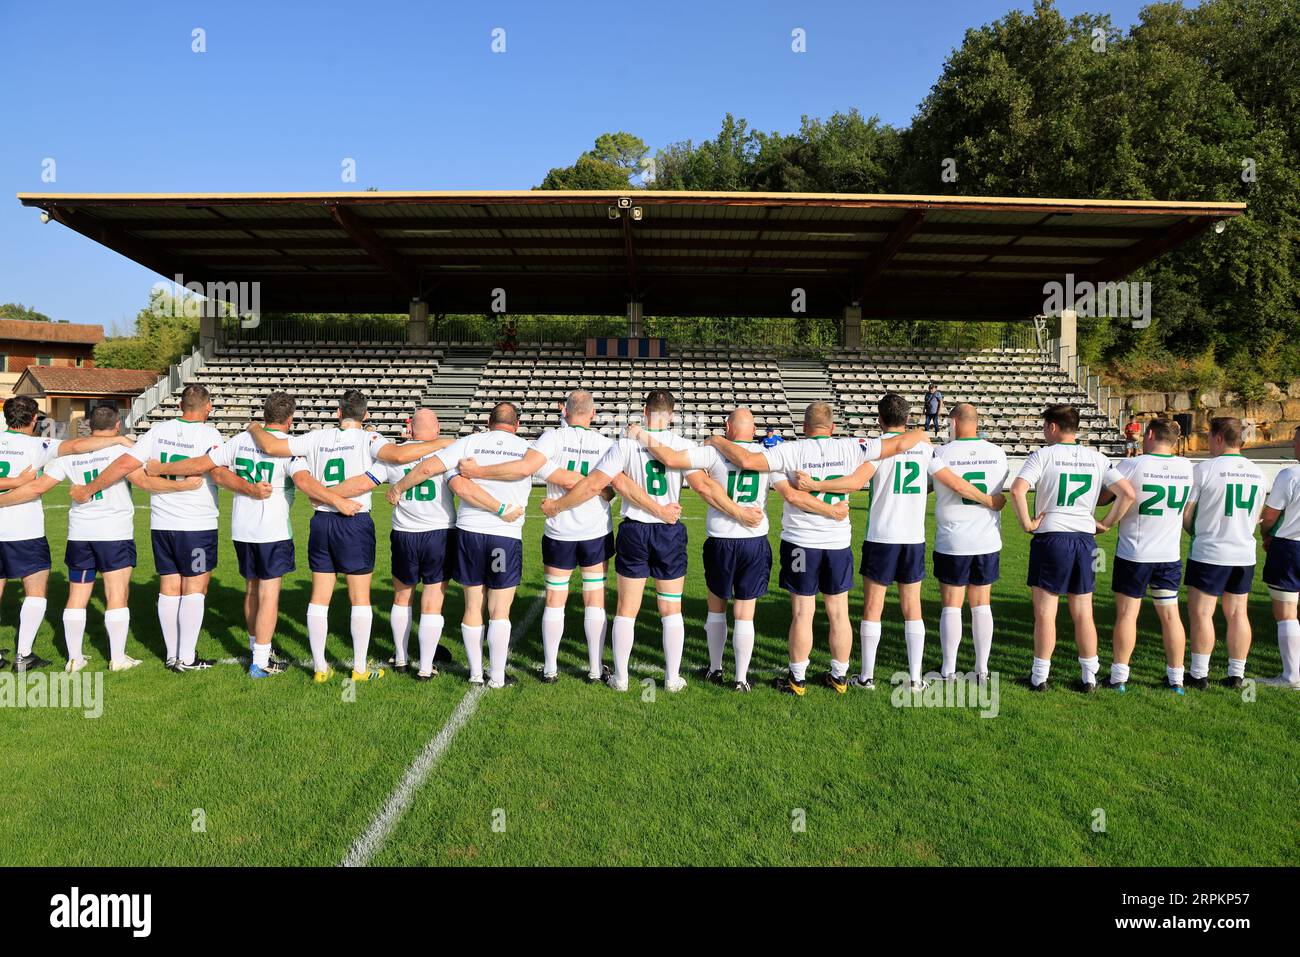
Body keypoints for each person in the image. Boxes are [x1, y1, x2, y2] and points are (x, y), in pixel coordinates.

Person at [705, 400, 929, 695]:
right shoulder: (852, 447)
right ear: (833, 427)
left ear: (803, 427)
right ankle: (839, 676)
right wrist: (922, 432)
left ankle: (797, 679)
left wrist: (717, 439)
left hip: (801, 542)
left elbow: (747, 461)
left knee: (802, 612)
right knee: (839, 611)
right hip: (837, 543)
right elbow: (899, 443)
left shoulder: (790, 450)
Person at [789, 393, 998, 691]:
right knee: (912, 608)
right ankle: (914, 679)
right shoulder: (925, 450)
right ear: (908, 418)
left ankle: (867, 677)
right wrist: (988, 499)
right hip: (913, 538)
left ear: (879, 419)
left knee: (872, 607)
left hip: (881, 536)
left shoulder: (878, 451)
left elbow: (853, 483)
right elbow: (953, 482)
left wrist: (816, 485)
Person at [145, 392, 361, 678]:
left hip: (242, 528)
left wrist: (162, 469)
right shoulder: (286, 448)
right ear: (290, 418)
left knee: (251, 589)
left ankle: (256, 648)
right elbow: (304, 481)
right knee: (269, 595)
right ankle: (260, 661)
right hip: (272, 531)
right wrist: (336, 500)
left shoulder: (240, 440)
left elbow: (211, 470)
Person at [246, 389, 450, 683]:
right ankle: (358, 669)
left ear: (338, 413)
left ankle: (319, 668)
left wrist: (254, 426)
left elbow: (270, 446)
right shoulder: (369, 438)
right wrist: (443, 442)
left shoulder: (316, 436)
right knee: (359, 598)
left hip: (322, 521)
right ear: (365, 415)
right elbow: (401, 453)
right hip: (354, 521)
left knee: (319, 598)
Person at [73, 385, 273, 674]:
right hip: (196, 523)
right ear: (208, 407)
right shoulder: (209, 434)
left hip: (161, 523)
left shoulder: (157, 432)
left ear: (180, 405)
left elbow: (124, 464)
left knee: (168, 588)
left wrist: (90, 489)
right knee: (195, 587)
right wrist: (249, 489)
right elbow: (217, 471)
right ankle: (187, 657)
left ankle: (171, 656)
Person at [541, 389, 716, 693]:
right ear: (671, 415)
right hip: (668, 530)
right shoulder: (682, 445)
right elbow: (703, 487)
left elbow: (595, 484)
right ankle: (672, 679)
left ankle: (621, 678)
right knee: (671, 608)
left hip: (635, 528)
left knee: (626, 609)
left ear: (645, 412)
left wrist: (559, 505)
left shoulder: (625, 443)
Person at [0, 402, 178, 672]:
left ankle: (74, 658)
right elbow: (145, 482)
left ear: (89, 426)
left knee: (77, 595)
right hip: (113, 533)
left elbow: (38, 486)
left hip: (79, 534)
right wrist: (185, 485)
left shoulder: (66, 457)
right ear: (117, 425)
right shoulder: (121, 450)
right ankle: (117, 658)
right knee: (116, 593)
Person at [457, 390, 618, 683]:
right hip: (595, 529)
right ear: (593, 413)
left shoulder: (552, 438)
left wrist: (479, 470)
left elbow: (525, 468)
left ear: (564, 410)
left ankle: (550, 668)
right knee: (595, 598)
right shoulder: (607, 444)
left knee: (556, 598)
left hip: (559, 528)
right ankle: (595, 669)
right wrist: (596, 486)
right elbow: (611, 488)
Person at [627, 408, 769, 691]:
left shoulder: (713, 452)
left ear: (727, 427)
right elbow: (790, 490)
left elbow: (669, 458)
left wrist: (640, 434)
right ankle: (740, 678)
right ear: (754, 430)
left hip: (721, 539)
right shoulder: (767, 455)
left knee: (716, 609)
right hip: (754, 539)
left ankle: (715, 668)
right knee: (745, 613)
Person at [391, 402, 530, 689]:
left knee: (473, 604)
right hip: (503, 535)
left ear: (488, 422)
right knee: (499, 610)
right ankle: (498, 678)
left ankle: (476, 674)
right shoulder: (528, 448)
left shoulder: (468, 443)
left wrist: (398, 488)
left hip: (469, 534)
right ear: (516, 425)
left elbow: (433, 470)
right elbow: (559, 474)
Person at [1008, 404, 1136, 692]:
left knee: (1045, 613)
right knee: (1083, 612)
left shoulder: (1043, 455)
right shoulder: (1097, 458)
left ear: (1052, 427)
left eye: (1044, 427)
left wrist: (1028, 523)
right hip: (1083, 539)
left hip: (1052, 538)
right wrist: (1105, 523)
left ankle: (1039, 677)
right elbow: (1127, 493)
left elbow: (1017, 490)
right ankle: (1089, 676)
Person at [1099, 418, 1195, 693]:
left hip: (1135, 552)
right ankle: (1176, 678)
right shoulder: (1187, 467)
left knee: (1128, 615)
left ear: (1150, 434)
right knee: (1170, 616)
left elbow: (1104, 497)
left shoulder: (1133, 464)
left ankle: (1119, 677)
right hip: (1169, 553)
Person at [1183, 417, 1266, 690]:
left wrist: (1192, 531)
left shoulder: (1205, 469)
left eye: (1209, 436)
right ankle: (1236, 674)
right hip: (1243, 551)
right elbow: (1257, 516)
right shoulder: (1257, 472)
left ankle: (1198, 674)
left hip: (1211, 551)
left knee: (1202, 613)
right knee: (1238, 613)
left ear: (1219, 438)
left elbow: (1187, 513)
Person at [928, 403, 1009, 682]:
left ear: (953, 422)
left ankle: (949, 669)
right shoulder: (998, 453)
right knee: (981, 604)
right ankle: (982, 668)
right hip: (986, 538)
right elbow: (998, 490)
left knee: (951, 605)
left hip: (953, 538)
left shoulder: (941, 453)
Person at [1259, 424, 1300, 689]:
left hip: (1291, 547)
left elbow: (1270, 515)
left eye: (1296, 440)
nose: (1293, 445)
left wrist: (1265, 535)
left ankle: (1291, 676)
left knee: (1286, 612)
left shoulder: (1290, 474)